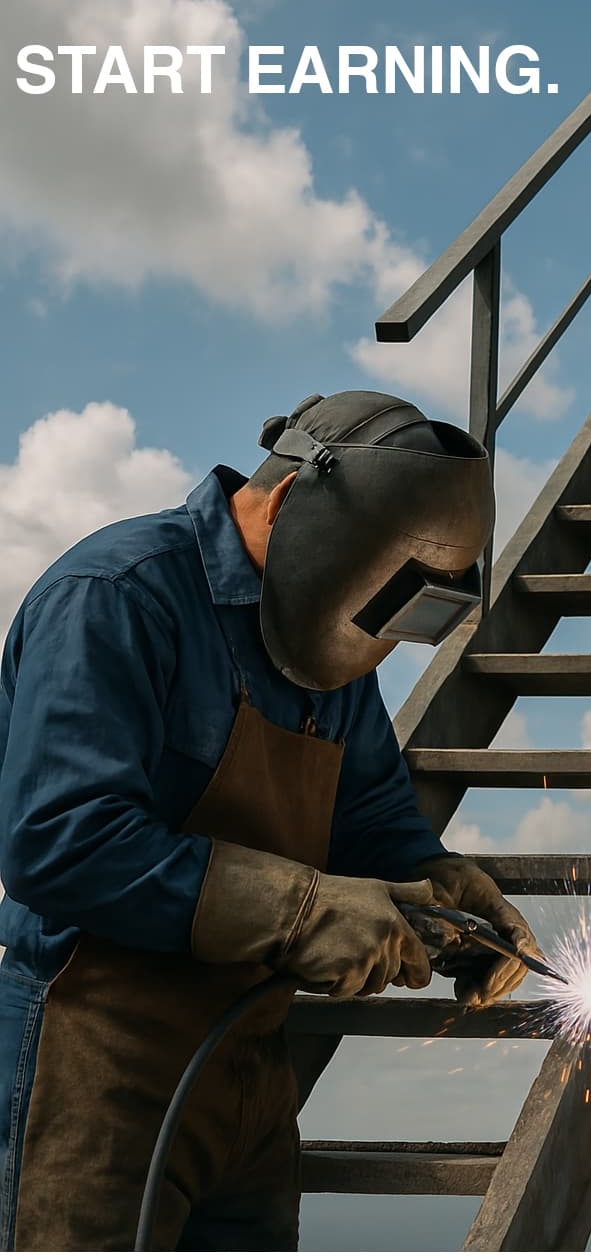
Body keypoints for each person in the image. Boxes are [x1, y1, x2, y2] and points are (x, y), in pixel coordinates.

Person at [0, 390, 540, 1251]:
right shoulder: (116, 597)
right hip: (100, 1073)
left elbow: (366, 812)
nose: (377, 640)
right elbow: (61, 840)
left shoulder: (326, 645)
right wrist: (305, 911)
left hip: (249, 1071)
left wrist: (436, 882)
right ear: (291, 505)